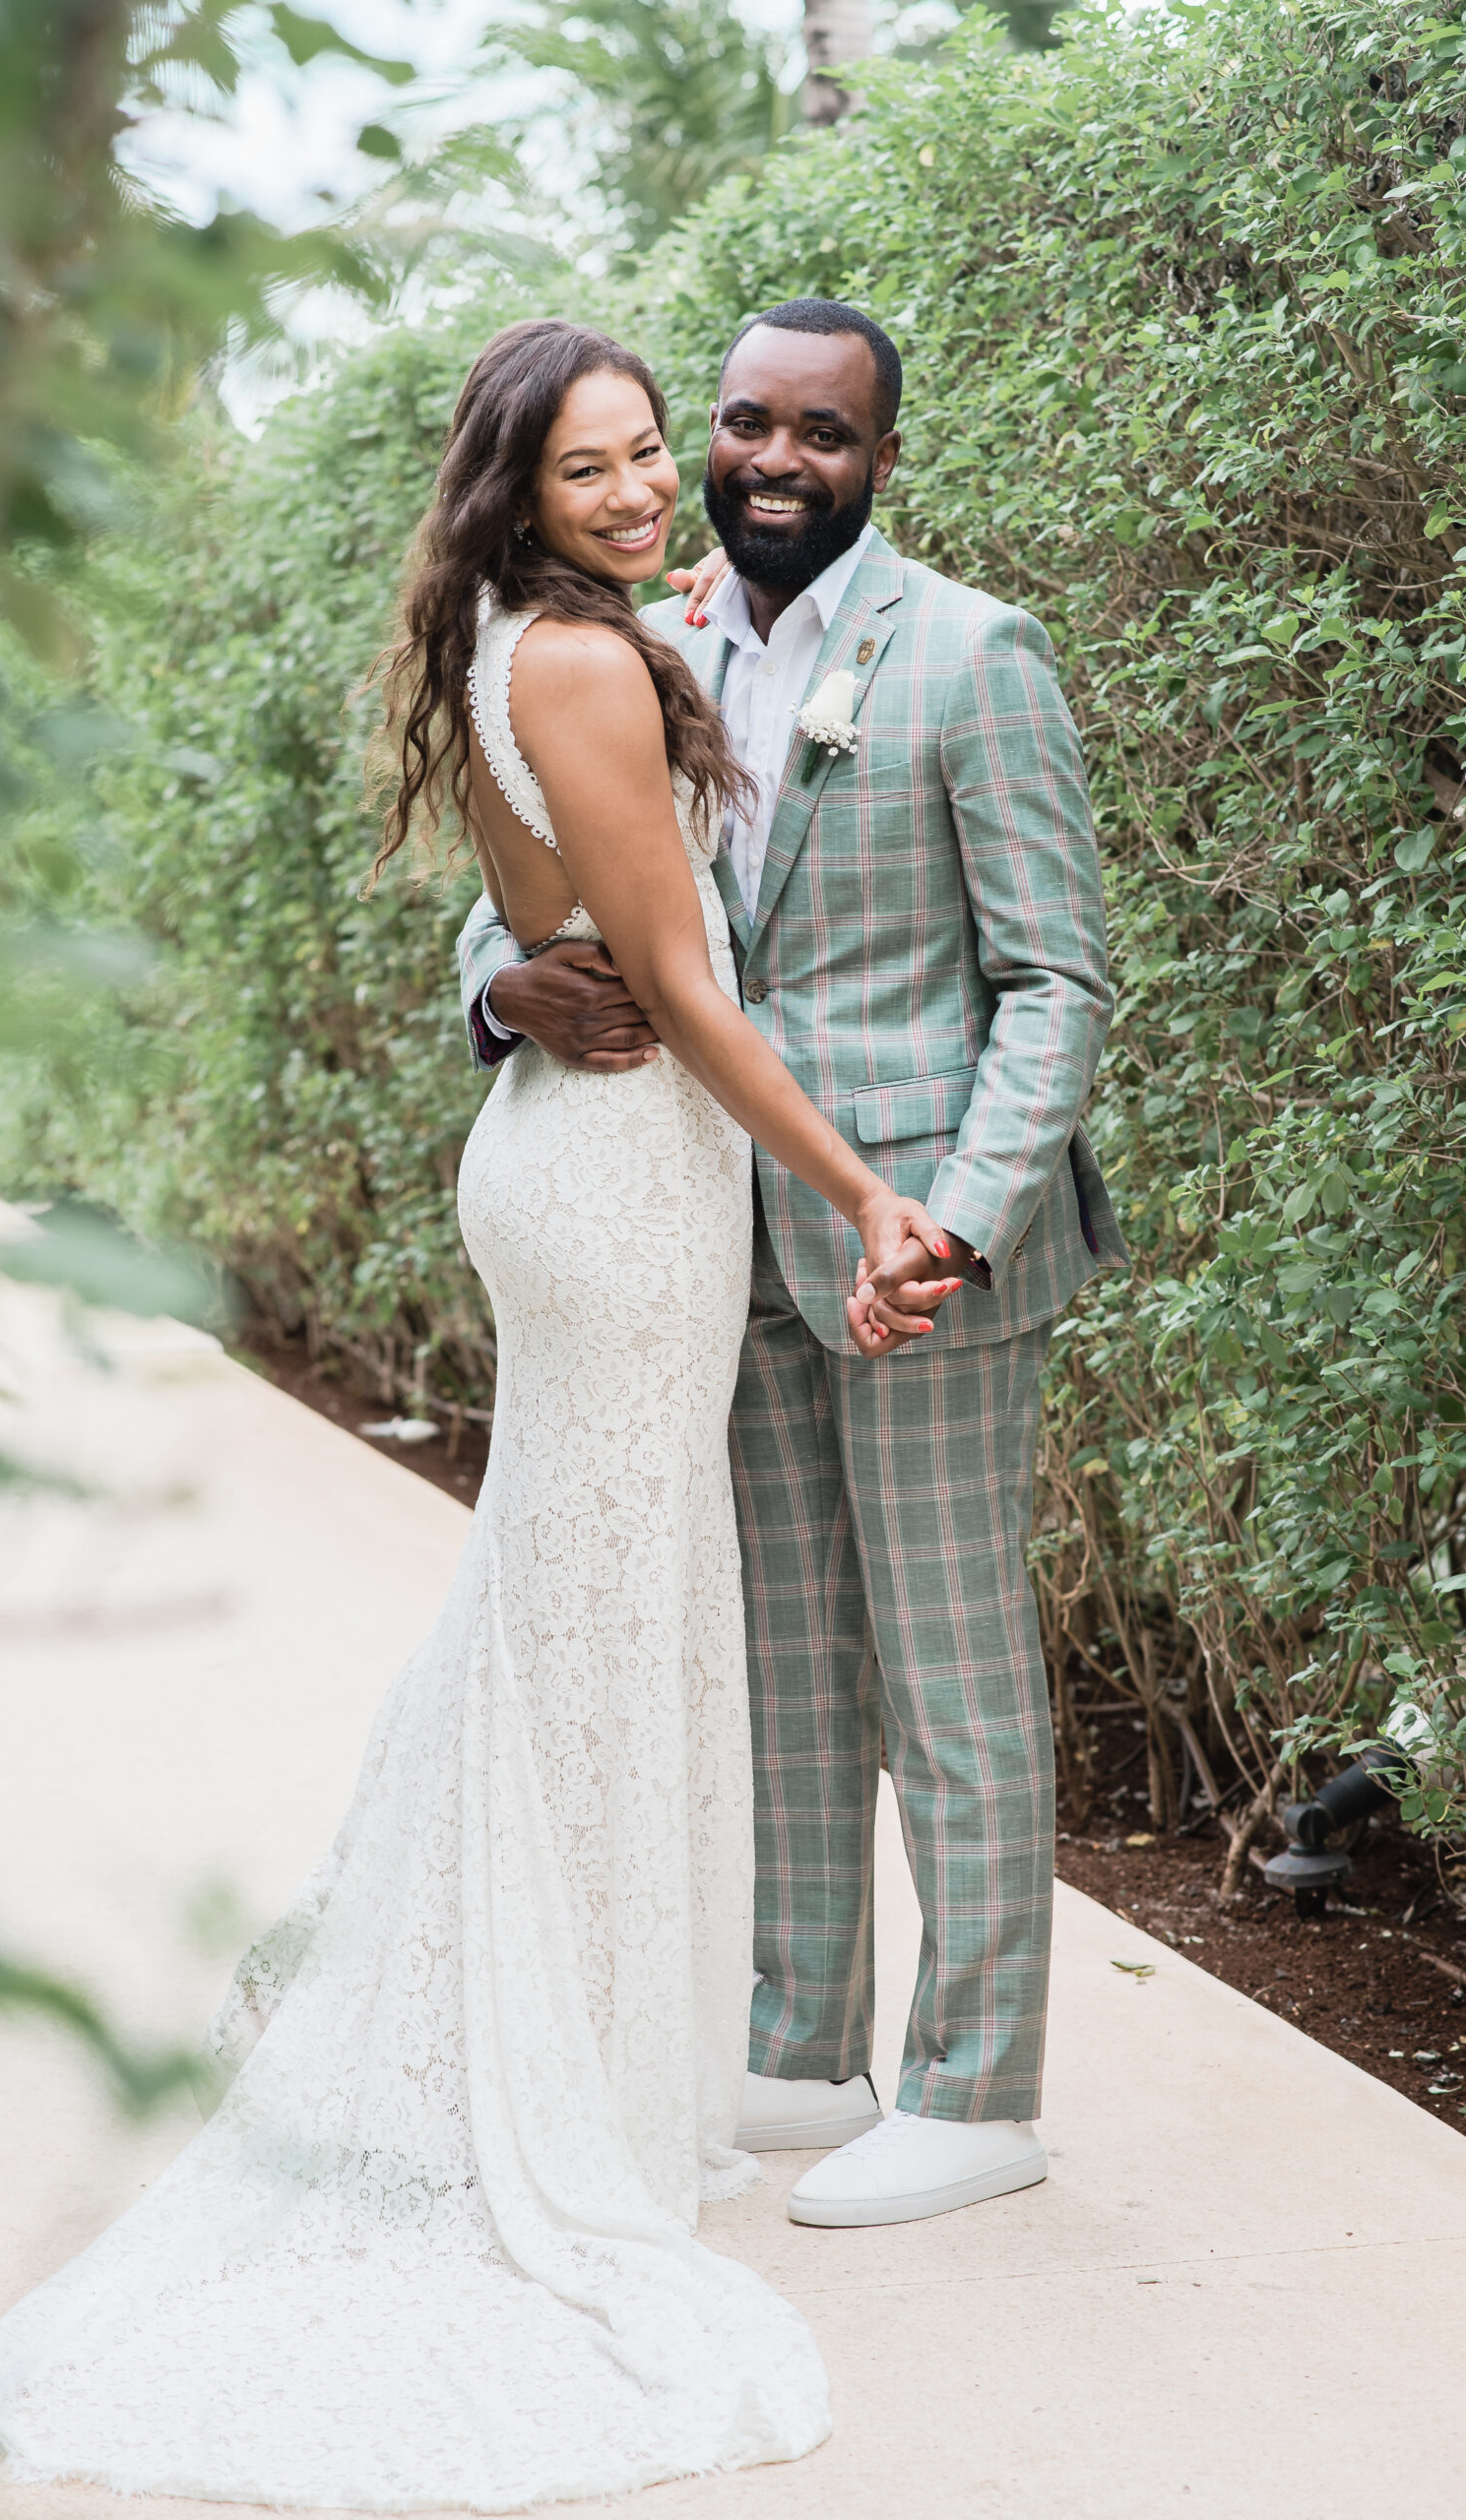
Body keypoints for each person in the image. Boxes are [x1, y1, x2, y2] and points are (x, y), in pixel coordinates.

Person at [0, 317, 965, 2511]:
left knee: (571, 1600)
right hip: (616, 1178)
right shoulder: (588, 661)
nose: (636, 484)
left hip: (594, 1168)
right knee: (589, 1613)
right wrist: (869, 1184)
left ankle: (558, 2036)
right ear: (511, 489)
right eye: (587, 463)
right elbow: (681, 984)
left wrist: (534, 957)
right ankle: (532, 2081)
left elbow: (572, 908)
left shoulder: (558, 634)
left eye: (647, 448)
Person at [460, 296, 1126, 2234]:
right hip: (700, 1228)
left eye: (819, 434)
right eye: (741, 421)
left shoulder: (975, 655)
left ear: (881, 460)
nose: (765, 461)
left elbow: (1055, 977)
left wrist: (959, 1217)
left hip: (909, 1239)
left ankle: (978, 2085)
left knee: (950, 1673)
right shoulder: (630, 639)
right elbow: (528, 887)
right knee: (787, 1666)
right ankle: (802, 2036)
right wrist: (504, 987)